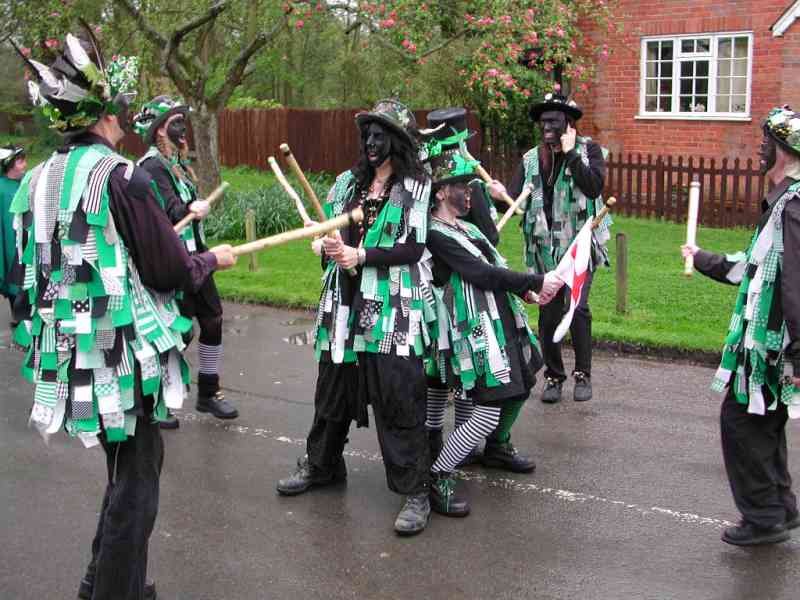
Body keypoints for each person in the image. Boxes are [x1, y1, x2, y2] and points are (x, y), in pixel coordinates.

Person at [11, 31, 236, 599]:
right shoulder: (120, 175)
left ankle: (103, 582)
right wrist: (211, 259)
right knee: (137, 484)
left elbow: (27, 272)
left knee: (124, 473)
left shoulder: (37, 180)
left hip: (71, 353)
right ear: (106, 115)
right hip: (122, 356)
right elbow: (167, 269)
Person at [278, 100, 435, 535]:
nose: (370, 142)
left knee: (397, 395)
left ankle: (416, 491)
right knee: (332, 388)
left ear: (397, 141)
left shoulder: (416, 187)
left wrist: (360, 255)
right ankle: (322, 464)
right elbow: (335, 232)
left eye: (380, 135)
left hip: (391, 307)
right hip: (343, 304)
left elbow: (413, 248)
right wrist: (327, 245)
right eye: (367, 134)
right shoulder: (350, 184)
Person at [423, 127, 562, 515]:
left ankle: (491, 450)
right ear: (440, 192)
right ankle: (437, 474)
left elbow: (494, 264)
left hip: (500, 320)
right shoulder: (434, 235)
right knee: (486, 409)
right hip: (474, 331)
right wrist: (535, 280)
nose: (470, 193)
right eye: (462, 186)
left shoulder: (467, 227)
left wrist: (527, 293)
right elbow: (479, 274)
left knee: (520, 385)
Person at [681, 106, 800, 546]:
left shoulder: (793, 207)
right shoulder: (784, 202)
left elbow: (796, 282)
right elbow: (753, 266)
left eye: (766, 141)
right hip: (770, 344)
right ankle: (781, 508)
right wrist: (702, 258)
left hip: (774, 346)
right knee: (763, 420)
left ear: (783, 150)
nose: (759, 148)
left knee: (742, 420)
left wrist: (798, 354)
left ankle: (764, 518)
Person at [488, 91, 609, 404]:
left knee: (577, 308)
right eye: (543, 122)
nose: (546, 127)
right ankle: (554, 376)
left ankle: (583, 374)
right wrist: (498, 196)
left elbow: (593, 187)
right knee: (549, 312)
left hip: (580, 245)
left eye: (553, 121)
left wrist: (570, 155)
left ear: (568, 123)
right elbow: (513, 202)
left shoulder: (589, 151)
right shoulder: (531, 159)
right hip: (542, 248)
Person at [133, 97, 238, 427]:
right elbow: (169, 212)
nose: (183, 128)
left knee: (212, 319)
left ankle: (208, 393)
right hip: (171, 260)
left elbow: (183, 209)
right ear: (159, 131)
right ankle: (154, 401)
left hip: (195, 256)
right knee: (175, 331)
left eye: (183, 121)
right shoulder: (152, 166)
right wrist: (191, 208)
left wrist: (195, 210)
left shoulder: (175, 164)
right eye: (176, 122)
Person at [0, 144, 25, 321]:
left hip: (24, 237)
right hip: (9, 239)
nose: (25, 164)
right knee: (11, 268)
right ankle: (17, 314)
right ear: (9, 164)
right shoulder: (2, 188)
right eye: (20, 161)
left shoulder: (27, 182)